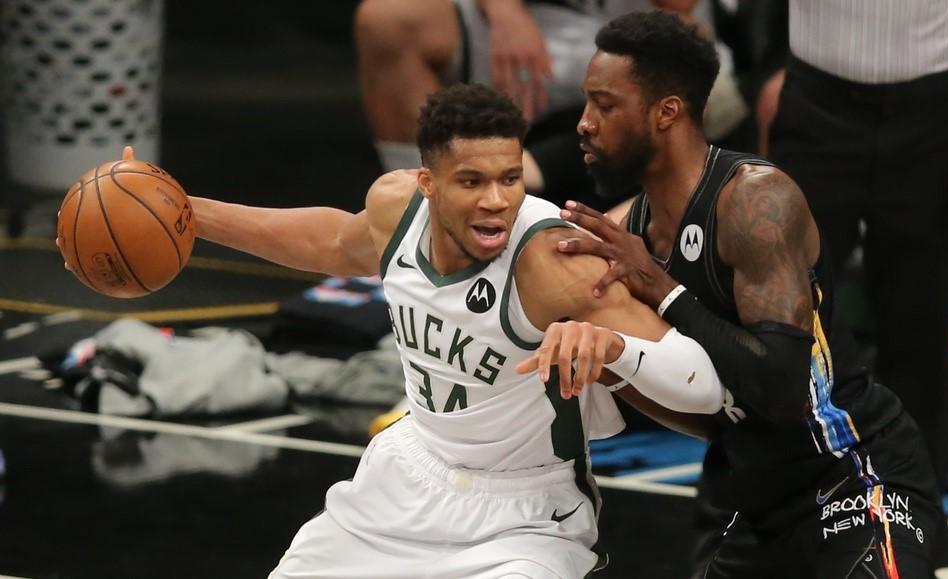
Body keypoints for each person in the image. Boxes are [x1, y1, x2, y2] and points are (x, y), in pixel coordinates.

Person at [156, 84, 728, 578]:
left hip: (523, 515)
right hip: (405, 478)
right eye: (472, 181)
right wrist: (187, 214)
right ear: (427, 182)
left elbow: (703, 384)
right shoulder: (395, 209)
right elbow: (333, 242)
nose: (497, 200)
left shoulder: (556, 258)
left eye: (510, 178)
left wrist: (615, 348)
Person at [557, 11, 942, 577]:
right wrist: (616, 364)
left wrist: (663, 290)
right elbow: (712, 410)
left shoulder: (756, 202)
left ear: (667, 112)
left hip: (853, 477)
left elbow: (782, 389)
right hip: (755, 497)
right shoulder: (628, 234)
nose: (585, 124)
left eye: (605, 105)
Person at [765, 0, 948, 482]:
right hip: (816, 106)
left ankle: (916, 528)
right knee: (783, 328)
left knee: (921, 342)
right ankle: (766, 514)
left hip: (929, 114)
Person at [354, 0, 743, 210]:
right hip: (528, 24)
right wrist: (503, 8)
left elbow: (680, 8)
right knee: (387, 20)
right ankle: (419, 213)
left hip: (638, 21)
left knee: (698, 86)